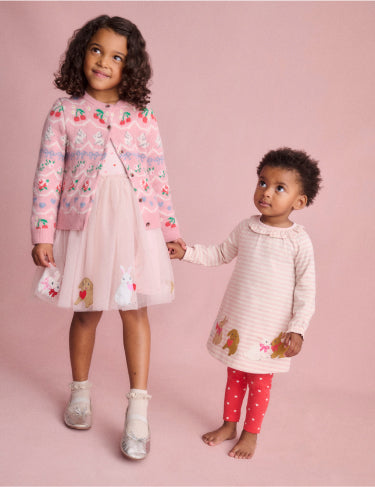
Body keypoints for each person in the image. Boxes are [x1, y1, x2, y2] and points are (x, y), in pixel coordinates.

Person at [30, 15, 184, 460]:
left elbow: (158, 176)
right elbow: (48, 175)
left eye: (117, 56)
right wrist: (43, 232)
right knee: (86, 311)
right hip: (85, 226)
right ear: (82, 52)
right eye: (97, 50)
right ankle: (80, 392)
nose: (104, 61)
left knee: (135, 313)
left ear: (129, 66)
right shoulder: (64, 111)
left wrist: (170, 229)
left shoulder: (142, 117)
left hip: (136, 225)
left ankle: (138, 410)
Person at [168, 148, 321, 459]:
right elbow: (219, 254)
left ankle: (250, 434)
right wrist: (186, 252)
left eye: (280, 188)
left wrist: (298, 330)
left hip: (271, 329)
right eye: (262, 182)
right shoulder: (246, 228)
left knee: (260, 381)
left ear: (299, 202)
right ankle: (228, 425)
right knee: (235, 374)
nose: (266, 192)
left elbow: (306, 290)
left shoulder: (298, 241)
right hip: (241, 321)